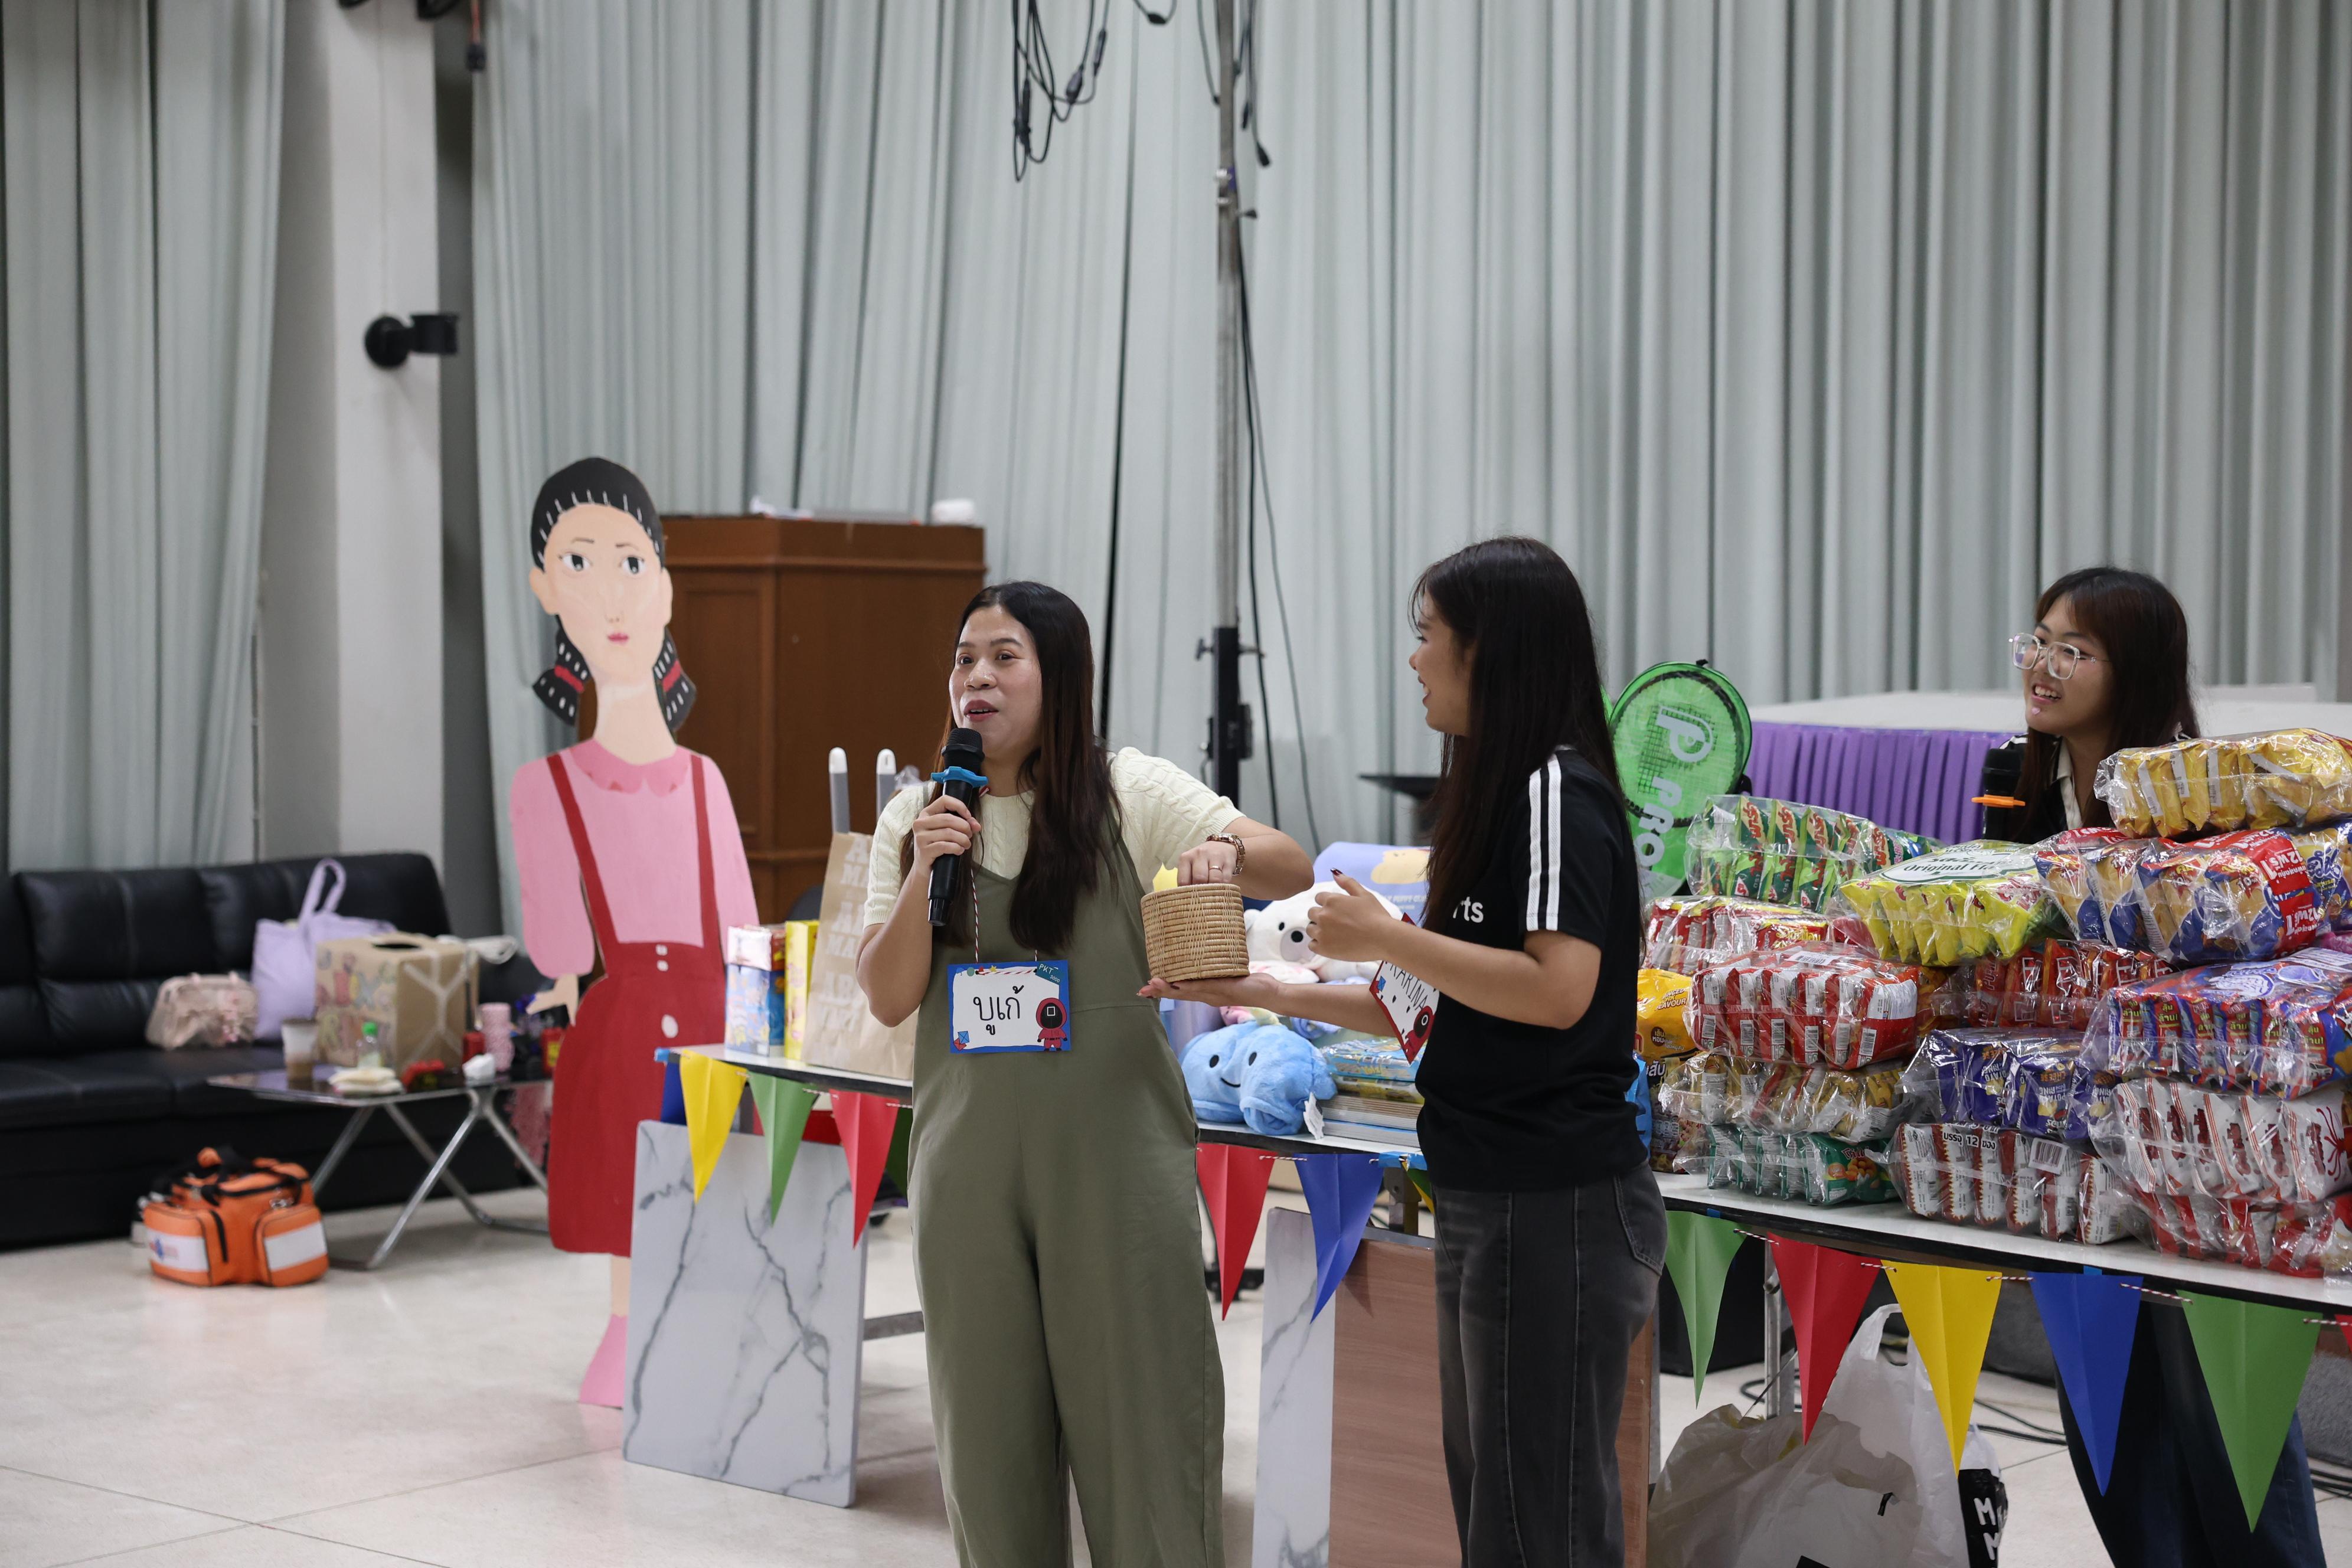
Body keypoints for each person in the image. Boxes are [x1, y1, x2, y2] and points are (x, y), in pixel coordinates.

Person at [1148, 536, 1662, 1568]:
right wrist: (1263, 992)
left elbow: (1558, 990)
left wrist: (1386, 936)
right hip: (1482, 1187)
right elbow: (1431, 1005)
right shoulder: (1494, 792)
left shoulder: (1556, 792)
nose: (1416, 660)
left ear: (1492, 651)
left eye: (1430, 636)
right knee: (1499, 1508)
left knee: (1539, 1521)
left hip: (1553, 1199)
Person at [857, 580, 1312, 1567]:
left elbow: (1290, 863)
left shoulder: (1127, 791)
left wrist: (1220, 849)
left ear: (1060, 677)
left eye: (1004, 657)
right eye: (964, 659)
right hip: (968, 1175)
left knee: (1145, 1436)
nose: (977, 678)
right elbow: (887, 997)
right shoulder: (917, 818)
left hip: (1116, 1167)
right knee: (988, 1450)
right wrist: (923, 870)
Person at [1988, 566, 2324, 1566]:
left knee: (2224, 1409)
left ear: (2133, 671)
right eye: (2038, 641)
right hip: (2067, 1138)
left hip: (2190, 1139)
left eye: (2074, 650)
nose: (2043, 666)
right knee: (2108, 1419)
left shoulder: (2202, 801)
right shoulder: (2013, 775)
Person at [508, 457, 760, 1403]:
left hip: (709, 1025)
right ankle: (632, 1329)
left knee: (715, 1194)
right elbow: (562, 953)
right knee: (634, 1200)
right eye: (578, 562)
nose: (610, 593)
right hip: (628, 1031)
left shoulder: (705, 781)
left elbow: (743, 936)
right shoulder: (544, 789)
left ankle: (680, 1330)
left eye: (629, 562)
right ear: (545, 588)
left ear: (663, 587)